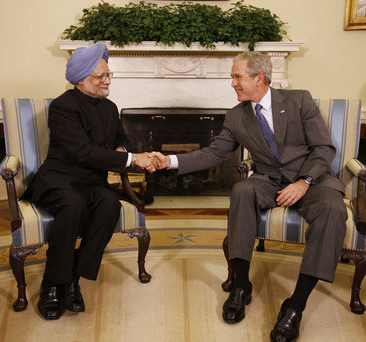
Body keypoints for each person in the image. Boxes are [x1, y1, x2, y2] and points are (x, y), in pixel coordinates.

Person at [150, 51, 347, 342]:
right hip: (267, 180)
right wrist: (170, 161)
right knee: (242, 190)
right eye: (233, 77)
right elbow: (214, 153)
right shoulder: (236, 115)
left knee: (333, 210)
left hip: (312, 179)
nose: (232, 84)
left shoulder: (299, 100)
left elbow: (323, 149)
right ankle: (241, 285)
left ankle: (295, 306)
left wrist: (304, 182)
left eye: (237, 77)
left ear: (260, 78)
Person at [23, 42, 159, 320]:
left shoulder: (109, 107)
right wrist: (133, 159)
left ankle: (73, 278)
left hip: (91, 182)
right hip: (59, 179)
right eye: (100, 76)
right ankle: (53, 283)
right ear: (81, 79)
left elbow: (120, 141)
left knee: (110, 205)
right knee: (73, 205)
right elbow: (82, 152)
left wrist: (123, 151)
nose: (107, 80)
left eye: (108, 74)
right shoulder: (63, 107)